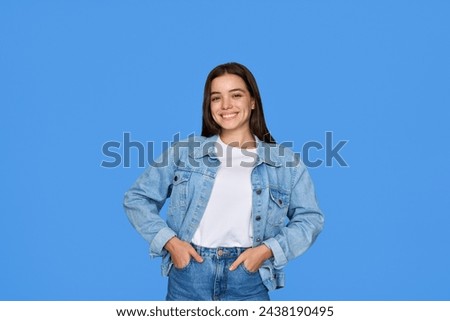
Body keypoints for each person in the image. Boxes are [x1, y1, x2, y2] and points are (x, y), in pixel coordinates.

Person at [123, 62, 324, 301]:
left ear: (252, 102)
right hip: (189, 277)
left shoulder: (284, 163)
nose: (226, 105)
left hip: (248, 278)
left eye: (236, 95)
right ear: (209, 106)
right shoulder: (185, 152)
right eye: (216, 98)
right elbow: (136, 199)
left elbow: (310, 218)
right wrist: (171, 243)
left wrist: (266, 250)